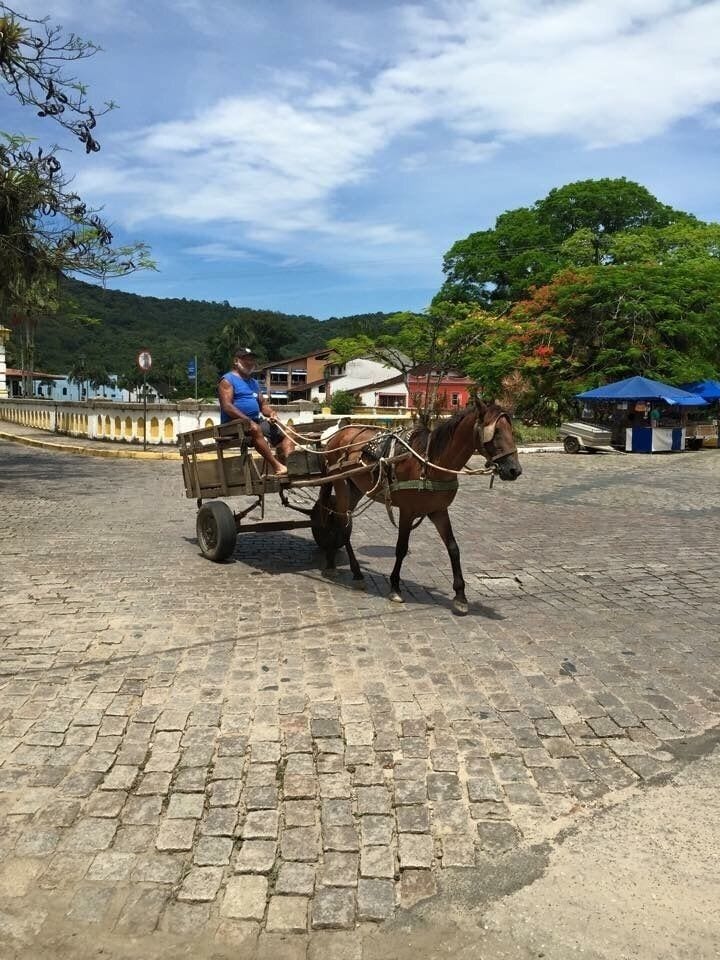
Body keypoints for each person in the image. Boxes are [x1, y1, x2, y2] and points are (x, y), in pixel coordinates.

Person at [218, 347, 294, 476]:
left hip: (255, 422)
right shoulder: (227, 380)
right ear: (236, 361)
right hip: (232, 425)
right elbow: (227, 406)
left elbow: (263, 405)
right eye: (246, 359)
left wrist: (272, 413)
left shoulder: (254, 383)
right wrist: (247, 420)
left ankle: (291, 464)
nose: (250, 362)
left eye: (252, 360)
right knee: (255, 428)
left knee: (289, 430)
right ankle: (277, 467)